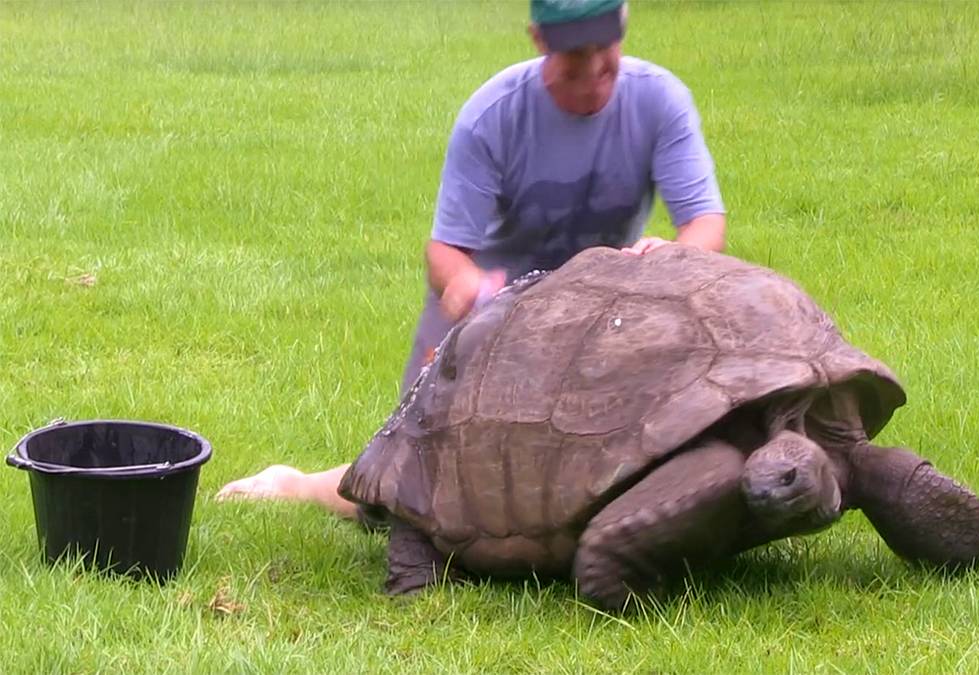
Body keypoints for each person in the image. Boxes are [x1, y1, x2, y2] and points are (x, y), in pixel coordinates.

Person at [215, 0, 728, 517]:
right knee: (411, 502)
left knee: (601, 470)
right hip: (488, 318)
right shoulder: (494, 114)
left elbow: (705, 224)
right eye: (576, 53)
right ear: (538, 39)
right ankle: (295, 485)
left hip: (596, 321)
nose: (595, 67)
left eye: (606, 47)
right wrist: (464, 284)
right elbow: (445, 251)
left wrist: (675, 255)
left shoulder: (659, 100)